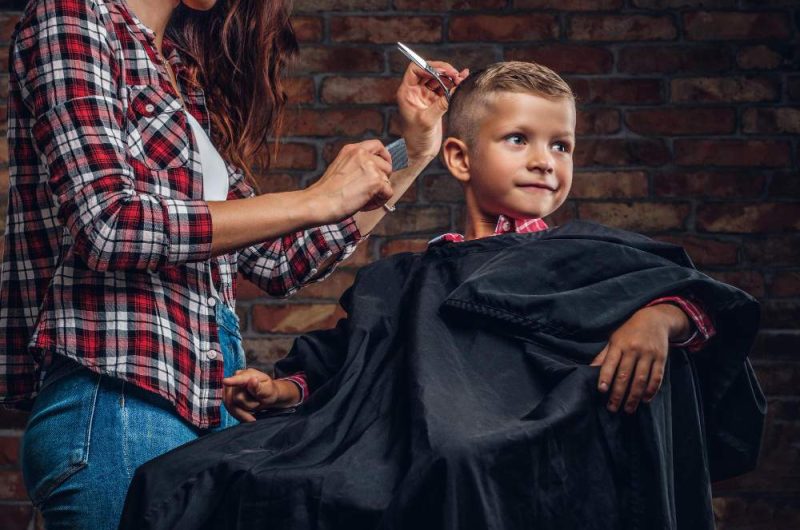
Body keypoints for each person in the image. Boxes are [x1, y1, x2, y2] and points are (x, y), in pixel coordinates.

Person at [120, 62, 765, 529]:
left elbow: (704, 303)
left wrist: (659, 319)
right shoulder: (404, 278)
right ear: (458, 158)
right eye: (520, 139)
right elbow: (348, 362)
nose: (546, 161)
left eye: (561, 145)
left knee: (460, 465)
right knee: (180, 482)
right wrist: (282, 390)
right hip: (407, 452)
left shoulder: (593, 260)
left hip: (528, 466)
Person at [0, 0, 466, 528]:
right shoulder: (72, 18)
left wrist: (416, 149)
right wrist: (318, 196)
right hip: (120, 403)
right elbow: (109, 223)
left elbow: (281, 261)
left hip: (207, 416)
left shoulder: (177, 74)